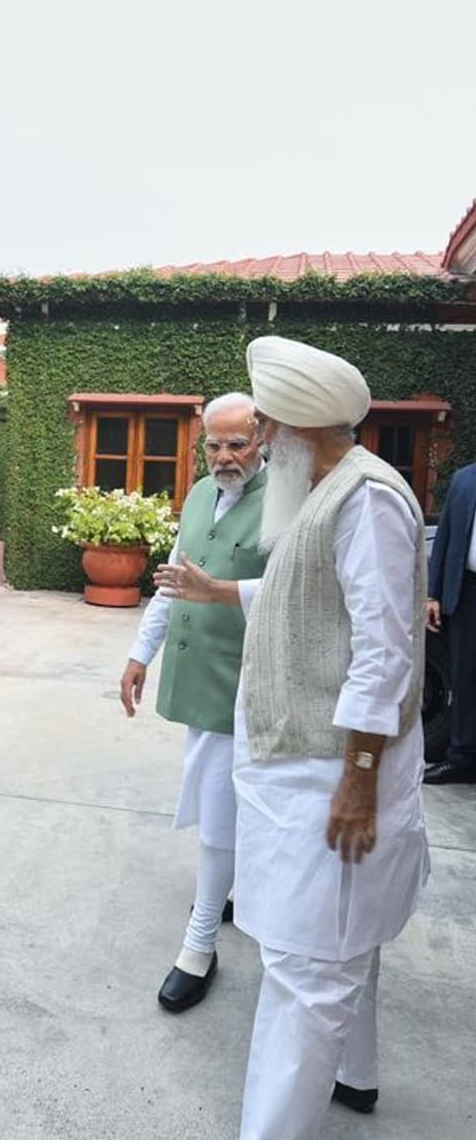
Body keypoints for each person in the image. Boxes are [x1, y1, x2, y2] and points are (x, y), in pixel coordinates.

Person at [156, 335, 429, 1140]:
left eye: (268, 426)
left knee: (308, 972)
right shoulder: (324, 490)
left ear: (301, 426)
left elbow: (384, 651)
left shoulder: (366, 499)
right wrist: (217, 589)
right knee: (345, 946)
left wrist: (359, 780)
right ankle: (357, 1075)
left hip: (332, 775)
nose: (262, 442)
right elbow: (299, 591)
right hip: (305, 768)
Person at [120, 392, 266, 1012]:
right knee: (223, 800)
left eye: (238, 443)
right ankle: (231, 892)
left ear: (263, 441)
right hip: (196, 676)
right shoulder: (202, 495)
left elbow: (298, 590)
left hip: (245, 683)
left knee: (220, 810)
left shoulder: (285, 501)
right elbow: (173, 583)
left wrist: (222, 591)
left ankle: (199, 946)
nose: (225, 456)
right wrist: (139, 654)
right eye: (214, 444)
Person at [423, 461, 476, 784]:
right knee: (465, 676)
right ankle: (462, 757)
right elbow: (444, 538)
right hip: (467, 591)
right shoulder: (464, 479)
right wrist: (433, 594)